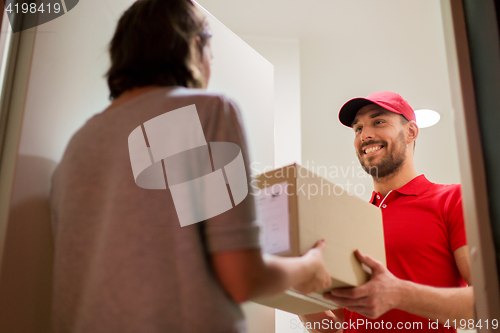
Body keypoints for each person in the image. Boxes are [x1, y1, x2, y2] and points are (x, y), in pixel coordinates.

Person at [49, 1, 331, 332]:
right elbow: (243, 278)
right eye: (211, 48)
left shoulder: (77, 146)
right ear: (196, 44)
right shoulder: (206, 114)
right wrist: (309, 267)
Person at [299, 91, 474, 333]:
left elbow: (487, 302)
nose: (365, 135)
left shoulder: (453, 199)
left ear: (411, 132)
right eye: (358, 128)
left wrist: (399, 294)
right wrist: (297, 296)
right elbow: (342, 326)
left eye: (378, 122)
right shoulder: (351, 217)